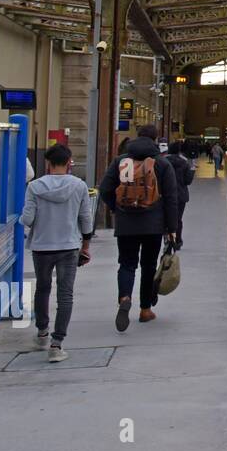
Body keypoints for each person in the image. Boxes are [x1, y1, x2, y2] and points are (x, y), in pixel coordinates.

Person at [99, 124, 178, 332]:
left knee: (126, 264)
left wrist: (117, 208)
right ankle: (145, 309)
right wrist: (172, 228)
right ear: (155, 140)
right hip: (153, 224)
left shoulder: (121, 162)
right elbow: (171, 198)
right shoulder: (161, 163)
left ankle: (125, 297)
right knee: (149, 266)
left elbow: (105, 189)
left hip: (126, 224)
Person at [19, 144, 94, 363]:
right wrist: (86, 245)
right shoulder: (79, 186)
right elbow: (86, 218)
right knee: (65, 294)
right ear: (69, 162)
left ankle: (42, 332)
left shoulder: (34, 187)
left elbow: (28, 219)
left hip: (42, 247)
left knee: (42, 289)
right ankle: (56, 344)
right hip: (69, 246)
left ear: (48, 163)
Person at [164, 140, 196, 248]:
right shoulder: (184, 163)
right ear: (179, 151)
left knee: (165, 217)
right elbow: (188, 181)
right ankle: (177, 240)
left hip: (165, 195)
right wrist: (192, 171)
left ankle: (168, 239)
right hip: (180, 195)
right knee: (177, 219)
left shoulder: (163, 162)